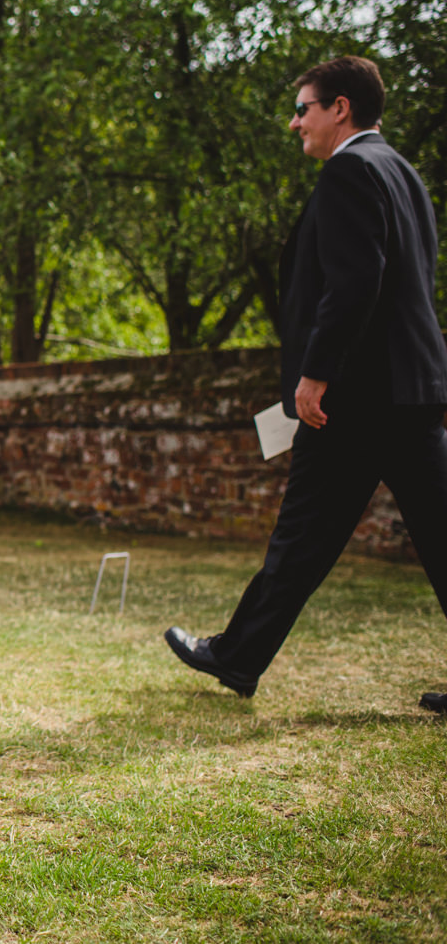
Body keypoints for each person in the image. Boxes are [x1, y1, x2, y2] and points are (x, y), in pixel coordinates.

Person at [165, 56, 447, 713]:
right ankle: (237, 653)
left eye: (304, 107)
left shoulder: (349, 170)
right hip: (414, 390)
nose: (296, 121)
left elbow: (353, 284)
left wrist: (314, 375)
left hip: (354, 399)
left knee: (302, 535)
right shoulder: (402, 171)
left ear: (339, 107)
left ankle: (235, 655)